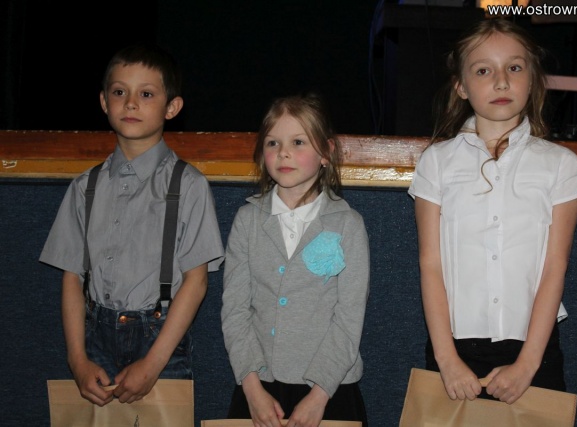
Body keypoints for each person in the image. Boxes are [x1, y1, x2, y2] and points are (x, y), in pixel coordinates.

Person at [408, 18, 577, 405]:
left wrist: (527, 365)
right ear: (461, 86)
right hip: (452, 349)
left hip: (534, 349)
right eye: (483, 70)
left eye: (514, 67)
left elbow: (554, 266)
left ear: (532, 79)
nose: (502, 81)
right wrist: (447, 361)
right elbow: (430, 263)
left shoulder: (561, 165)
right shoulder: (436, 162)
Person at [39, 42, 224, 406]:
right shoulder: (84, 187)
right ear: (104, 101)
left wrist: (153, 364)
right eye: (120, 92)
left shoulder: (189, 185)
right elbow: (72, 277)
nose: (131, 103)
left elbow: (196, 281)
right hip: (94, 342)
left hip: (160, 344)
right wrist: (77, 360)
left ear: (172, 107)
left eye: (146, 94)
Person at [221, 94, 370, 427]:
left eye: (298, 142)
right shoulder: (247, 221)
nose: (283, 152)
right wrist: (252, 389)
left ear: (326, 153)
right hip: (258, 387)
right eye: (273, 143)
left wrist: (319, 396)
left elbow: (349, 319)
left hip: (328, 390)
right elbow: (234, 311)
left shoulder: (347, 224)